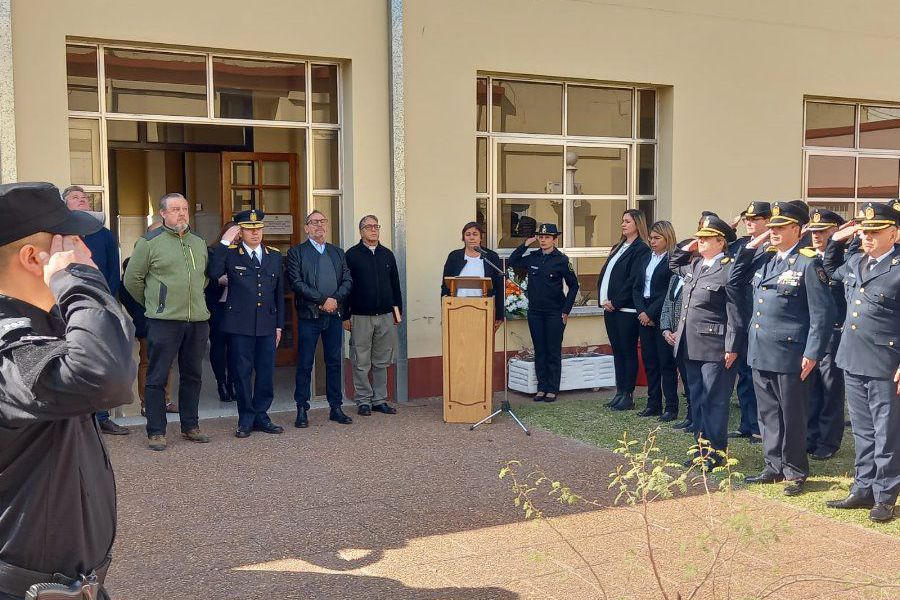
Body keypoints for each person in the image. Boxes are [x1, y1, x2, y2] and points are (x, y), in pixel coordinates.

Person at [0, 182, 135, 600]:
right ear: (32, 257)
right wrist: (76, 280)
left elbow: (114, 348)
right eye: (74, 243)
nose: (88, 255)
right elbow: (102, 373)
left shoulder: (44, 321)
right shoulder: (8, 341)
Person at [732, 200, 835, 496]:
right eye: (772, 227)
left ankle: (795, 471)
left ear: (797, 229)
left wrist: (813, 352)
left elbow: (822, 313)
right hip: (761, 349)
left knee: (792, 414)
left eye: (780, 227)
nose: (774, 232)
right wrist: (754, 244)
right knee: (768, 415)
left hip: (792, 353)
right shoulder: (765, 259)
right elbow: (735, 280)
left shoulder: (808, 263)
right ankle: (773, 465)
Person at [822, 201, 900, 523]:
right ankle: (863, 487)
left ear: (894, 234)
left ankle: (885, 495)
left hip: (885, 362)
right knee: (863, 432)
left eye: (875, 232)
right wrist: (840, 237)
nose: (867, 237)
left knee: (886, 433)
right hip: (852, 358)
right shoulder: (855, 262)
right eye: (865, 232)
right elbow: (829, 268)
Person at [124, 193, 212, 451]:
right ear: (162, 213)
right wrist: (156, 304)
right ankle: (156, 431)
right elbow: (132, 281)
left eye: (184, 209)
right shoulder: (149, 243)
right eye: (175, 209)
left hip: (196, 319)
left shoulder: (198, 242)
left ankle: (190, 426)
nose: (182, 214)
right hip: (164, 321)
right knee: (157, 376)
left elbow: (203, 278)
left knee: (193, 375)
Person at [670, 215, 743, 469]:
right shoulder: (697, 265)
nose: (699, 242)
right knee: (699, 398)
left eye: (705, 238)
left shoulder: (729, 268)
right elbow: (673, 263)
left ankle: (716, 453)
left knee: (715, 400)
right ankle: (700, 449)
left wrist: (732, 346)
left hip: (716, 346)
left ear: (721, 241)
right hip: (691, 344)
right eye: (699, 238)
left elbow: (735, 311)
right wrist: (687, 247)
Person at [209, 210, 285, 438]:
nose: (255, 233)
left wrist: (279, 325)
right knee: (241, 373)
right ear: (240, 232)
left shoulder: (273, 255)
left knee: (265, 372)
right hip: (239, 324)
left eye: (258, 229)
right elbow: (213, 272)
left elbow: (279, 294)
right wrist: (225, 241)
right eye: (249, 230)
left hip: (267, 324)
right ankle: (246, 418)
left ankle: (262, 415)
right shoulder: (231, 254)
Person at [62, 185, 129, 435]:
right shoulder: (60, 234)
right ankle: (77, 420)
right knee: (75, 361)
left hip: (101, 306)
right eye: (76, 198)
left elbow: (114, 271)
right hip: (68, 308)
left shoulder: (104, 233)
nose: (82, 201)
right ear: (65, 205)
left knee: (101, 361)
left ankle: (102, 417)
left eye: (85, 198)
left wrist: (107, 299)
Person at [286, 210, 353, 428]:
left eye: (322, 221)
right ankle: (302, 408)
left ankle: (336, 407)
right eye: (313, 223)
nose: (319, 226)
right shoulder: (297, 253)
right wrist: (323, 299)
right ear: (306, 228)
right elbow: (296, 283)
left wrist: (335, 300)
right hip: (310, 316)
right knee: (305, 363)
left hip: (334, 316)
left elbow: (347, 280)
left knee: (334, 362)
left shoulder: (337, 252)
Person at [508, 223, 579, 402]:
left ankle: (552, 388)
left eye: (547, 237)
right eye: (540, 236)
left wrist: (566, 310)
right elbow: (513, 261)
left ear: (555, 240)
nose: (543, 240)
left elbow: (574, 285)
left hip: (555, 312)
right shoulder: (533, 257)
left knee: (552, 350)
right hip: (536, 312)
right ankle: (542, 387)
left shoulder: (561, 260)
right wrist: (526, 243)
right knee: (540, 350)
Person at [344, 215, 403, 416]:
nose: (373, 230)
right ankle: (363, 400)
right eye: (368, 227)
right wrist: (345, 315)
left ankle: (379, 399)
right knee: (361, 361)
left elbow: (395, 285)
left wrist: (398, 312)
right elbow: (345, 287)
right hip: (360, 316)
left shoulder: (387, 254)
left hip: (386, 316)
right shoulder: (351, 255)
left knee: (381, 360)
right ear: (361, 231)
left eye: (376, 226)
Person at [804, 208, 847, 461]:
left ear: (836, 232)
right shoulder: (807, 258)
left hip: (833, 330)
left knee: (830, 386)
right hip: (810, 331)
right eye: (813, 232)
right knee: (810, 386)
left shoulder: (843, 258)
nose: (817, 236)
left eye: (823, 231)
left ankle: (829, 440)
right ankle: (810, 436)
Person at [597, 209, 650, 410]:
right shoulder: (618, 246)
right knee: (618, 351)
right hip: (610, 309)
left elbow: (633, 280)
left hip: (625, 310)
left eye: (627, 221)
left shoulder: (640, 249)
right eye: (622, 221)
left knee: (627, 351)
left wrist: (616, 301)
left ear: (638, 223)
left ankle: (627, 394)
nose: (623, 224)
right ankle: (619, 392)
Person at [727, 201, 770, 445]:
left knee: (758, 377)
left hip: (760, 317)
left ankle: (760, 426)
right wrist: (730, 228)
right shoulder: (741, 245)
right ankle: (747, 423)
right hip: (741, 317)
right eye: (747, 220)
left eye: (755, 219)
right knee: (744, 375)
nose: (750, 223)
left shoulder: (771, 248)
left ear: (767, 221)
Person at [633, 220, 677, 420]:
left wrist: (651, 313)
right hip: (644, 312)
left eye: (657, 238)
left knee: (665, 362)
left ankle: (671, 406)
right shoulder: (645, 258)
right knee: (650, 361)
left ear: (667, 238)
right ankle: (654, 403)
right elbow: (637, 287)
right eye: (650, 238)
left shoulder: (672, 260)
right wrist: (642, 311)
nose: (652, 241)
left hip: (662, 313)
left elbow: (668, 291)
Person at [440, 221, 504, 327]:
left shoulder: (491, 257)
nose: (471, 238)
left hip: (483, 308)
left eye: (475, 234)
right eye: (468, 234)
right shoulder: (454, 256)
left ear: (481, 237)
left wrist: (499, 315)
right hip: (457, 308)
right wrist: (444, 311)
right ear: (463, 238)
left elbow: (499, 286)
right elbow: (445, 286)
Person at [206, 220, 237, 404]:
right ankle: (221, 383)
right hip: (218, 306)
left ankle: (233, 382)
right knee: (219, 346)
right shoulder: (213, 251)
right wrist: (219, 281)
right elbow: (207, 278)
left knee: (236, 347)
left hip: (238, 307)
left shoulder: (243, 251)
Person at [660, 272, 692, 431]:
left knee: (689, 377)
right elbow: (667, 304)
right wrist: (666, 330)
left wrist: (680, 331)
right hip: (672, 335)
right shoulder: (674, 278)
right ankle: (674, 409)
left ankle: (693, 415)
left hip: (688, 335)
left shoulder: (695, 276)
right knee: (670, 369)